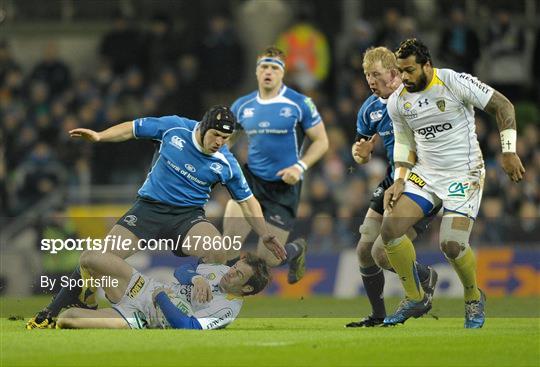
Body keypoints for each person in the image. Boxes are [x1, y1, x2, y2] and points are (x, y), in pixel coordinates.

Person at [27, 105, 285, 329]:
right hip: (148, 209)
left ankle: (196, 306)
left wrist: (263, 232)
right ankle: (58, 309)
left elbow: (247, 200)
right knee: (99, 258)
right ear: (203, 127)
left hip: (187, 217)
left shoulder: (226, 162)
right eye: (216, 135)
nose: (219, 142)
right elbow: (132, 128)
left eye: (226, 138)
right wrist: (99, 136)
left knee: (216, 247)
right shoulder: (175, 128)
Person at [381, 39, 525, 328]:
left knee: (451, 244)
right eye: (400, 71)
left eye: (409, 70)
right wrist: (398, 180)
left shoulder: (453, 81)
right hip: (425, 175)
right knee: (390, 229)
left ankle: (473, 297)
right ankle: (415, 297)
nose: (404, 77)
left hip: (463, 174)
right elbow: (404, 142)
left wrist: (508, 150)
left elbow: (503, 105)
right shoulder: (398, 101)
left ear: (427, 66)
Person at [346, 47, 439, 328]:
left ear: (394, 73)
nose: (371, 80)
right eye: (367, 75)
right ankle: (377, 315)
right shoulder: (369, 108)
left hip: (422, 180)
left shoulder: (414, 99)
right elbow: (360, 152)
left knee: (381, 252)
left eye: (376, 74)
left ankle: (424, 279)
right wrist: (360, 152)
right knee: (364, 250)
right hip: (392, 178)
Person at [223, 46, 329, 284]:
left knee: (268, 259)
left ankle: (296, 249)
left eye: (274, 67)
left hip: (283, 188)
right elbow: (227, 140)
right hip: (250, 183)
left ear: (282, 73)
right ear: (256, 71)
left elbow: (322, 141)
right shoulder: (242, 105)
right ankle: (220, 301)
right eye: (264, 67)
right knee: (227, 244)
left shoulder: (300, 103)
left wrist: (299, 167)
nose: (268, 71)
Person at [56, 252, 269, 330]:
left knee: (67, 318)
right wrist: (195, 278)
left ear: (247, 288)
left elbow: (188, 326)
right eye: (234, 268)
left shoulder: (226, 311)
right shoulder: (222, 271)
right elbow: (182, 270)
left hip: (140, 318)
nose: (230, 273)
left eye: (238, 275)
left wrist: (162, 298)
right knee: (90, 258)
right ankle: (90, 301)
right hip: (141, 286)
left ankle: (87, 310)